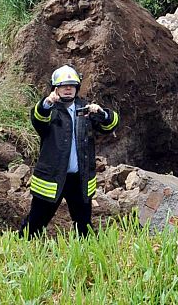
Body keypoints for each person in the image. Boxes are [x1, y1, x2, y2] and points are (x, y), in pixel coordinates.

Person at [21, 65, 120, 238]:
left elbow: (110, 126)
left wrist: (103, 114)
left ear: (77, 88)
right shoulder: (49, 110)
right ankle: (20, 250)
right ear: (55, 89)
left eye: (72, 85)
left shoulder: (85, 109)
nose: (68, 89)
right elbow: (38, 119)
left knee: (84, 226)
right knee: (35, 224)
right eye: (63, 86)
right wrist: (47, 103)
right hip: (52, 179)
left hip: (79, 179)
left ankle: (86, 257)